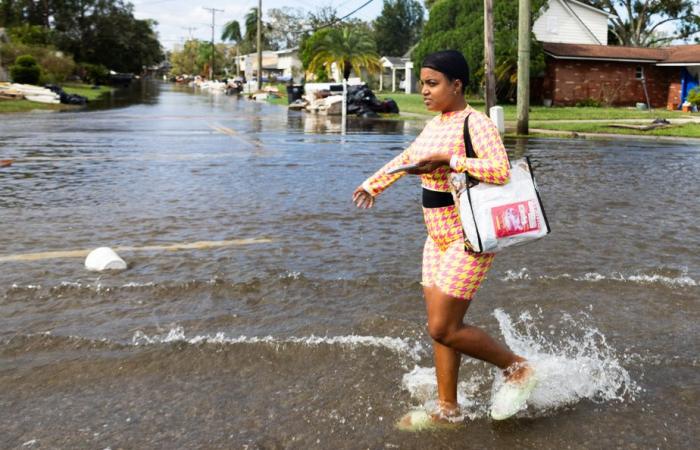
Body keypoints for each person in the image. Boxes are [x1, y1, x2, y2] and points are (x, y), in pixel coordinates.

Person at [352, 50, 537, 428]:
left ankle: (517, 368)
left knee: (443, 327)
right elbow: (408, 157)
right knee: (441, 327)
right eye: (423, 83)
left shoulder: (476, 122)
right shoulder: (435, 124)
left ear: (457, 85)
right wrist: (374, 185)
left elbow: (500, 170)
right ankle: (447, 409)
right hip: (434, 239)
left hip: (468, 236)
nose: (424, 90)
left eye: (432, 83)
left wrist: (451, 160)